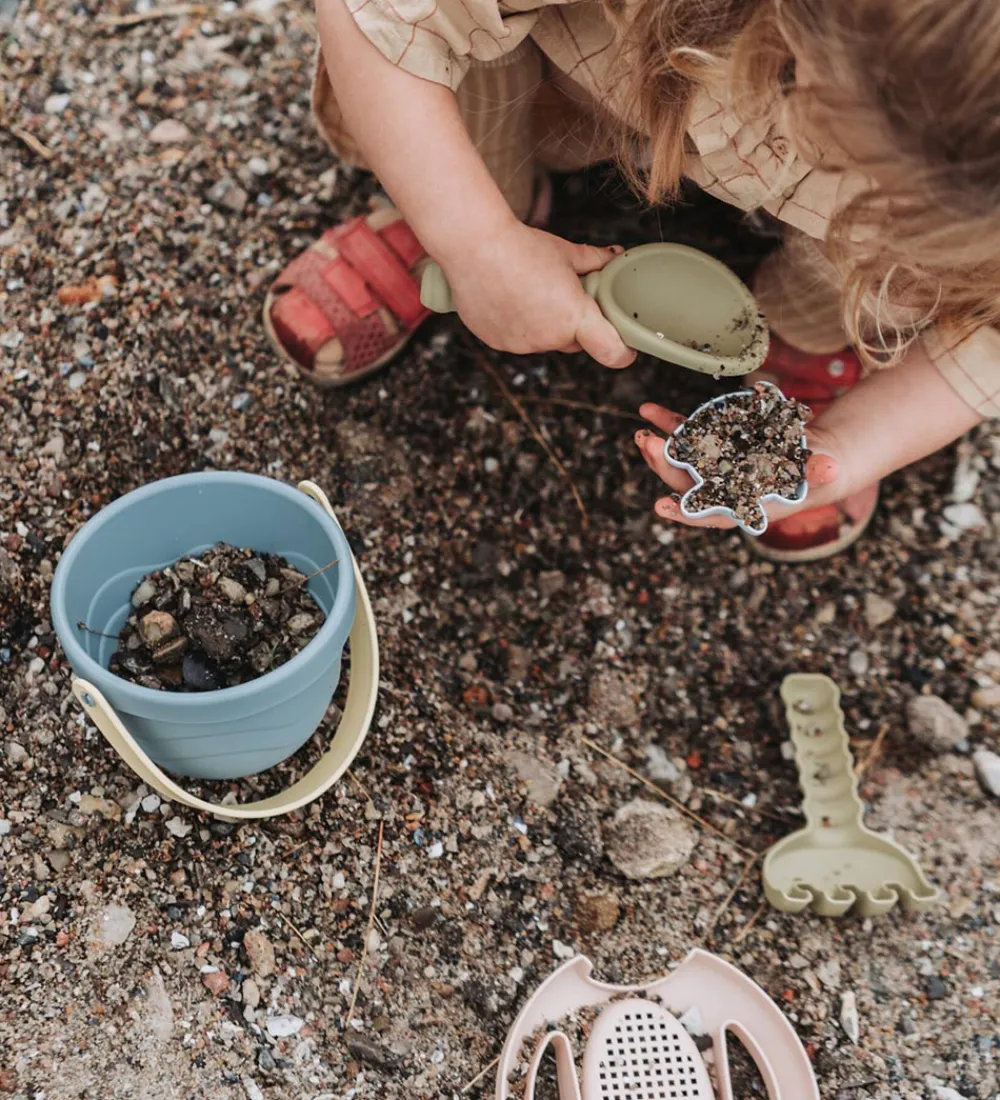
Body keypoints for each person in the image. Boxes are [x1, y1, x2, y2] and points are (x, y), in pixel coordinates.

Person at [264, 0, 1000, 562]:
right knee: (451, 100)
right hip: (592, 78)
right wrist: (475, 242)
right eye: (834, 132)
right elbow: (376, 20)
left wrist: (854, 443)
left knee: (910, 268)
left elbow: (988, 335)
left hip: (881, 234)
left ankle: (808, 330)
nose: (828, 158)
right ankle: (463, 205)